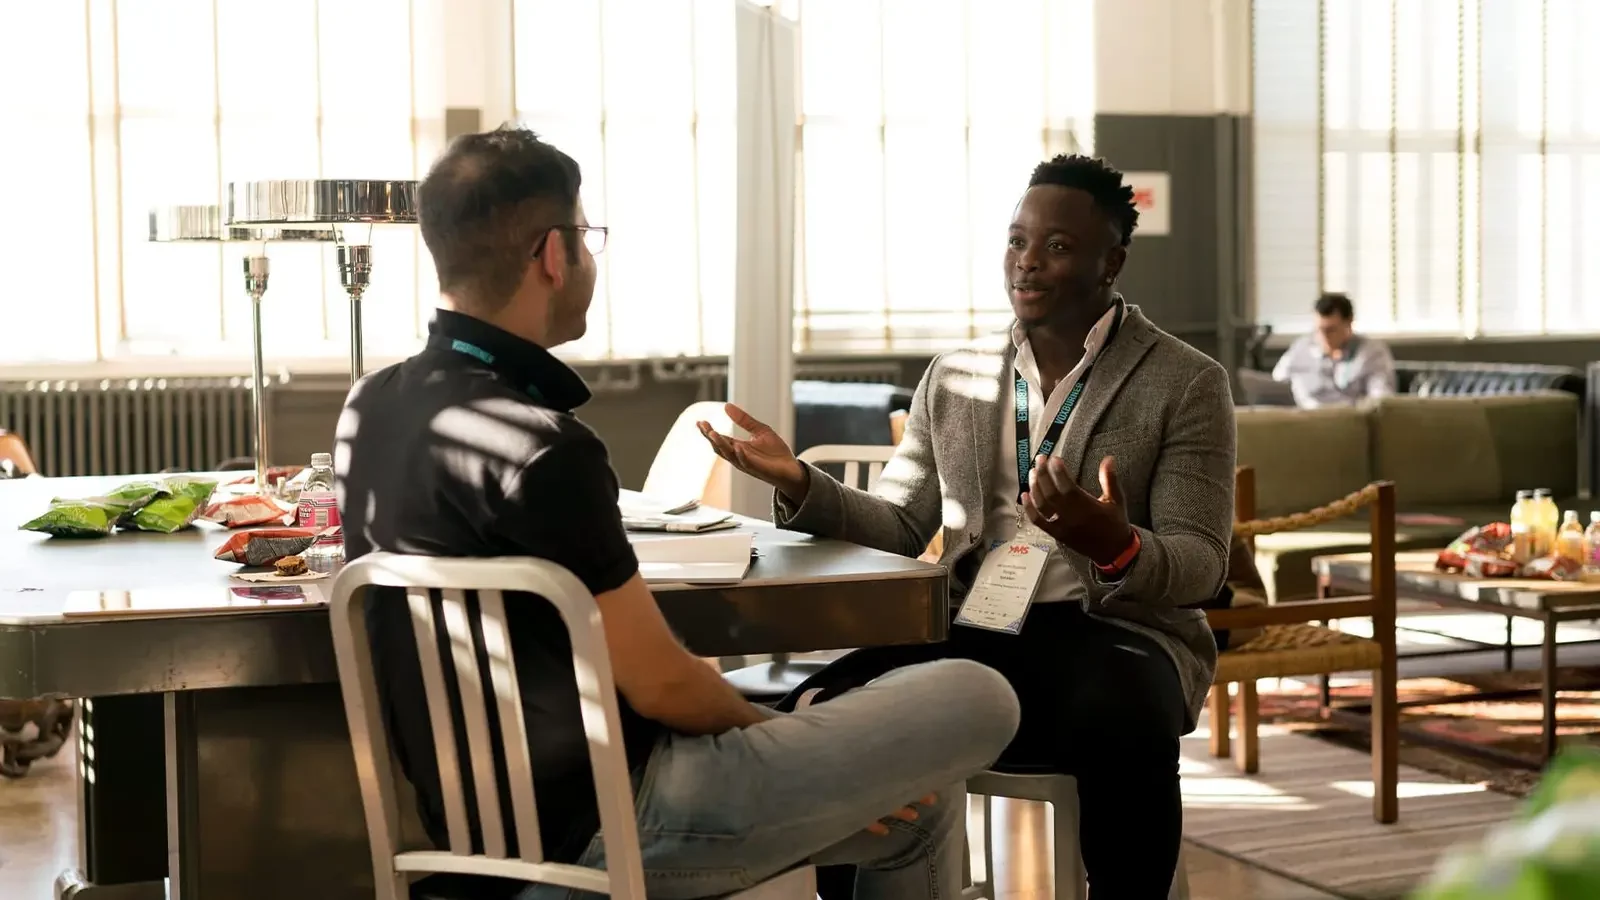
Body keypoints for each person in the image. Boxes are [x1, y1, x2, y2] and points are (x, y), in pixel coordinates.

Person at [336, 126, 1021, 900]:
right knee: (976, 692)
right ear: (553, 254)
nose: (589, 259)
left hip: (471, 838)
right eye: (588, 238)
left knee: (916, 814)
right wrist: (785, 740)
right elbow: (663, 686)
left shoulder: (371, 408)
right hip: (620, 826)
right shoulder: (548, 449)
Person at [700, 154, 1235, 898]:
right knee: (827, 711)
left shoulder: (1185, 381)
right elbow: (897, 522)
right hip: (973, 629)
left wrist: (1114, 541)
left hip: (1113, 631)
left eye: (1057, 246)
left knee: (1124, 713)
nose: (1028, 263)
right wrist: (797, 481)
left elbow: (1204, 561)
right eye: (1017, 241)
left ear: (1112, 261)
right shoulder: (954, 374)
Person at [1271, 292, 1397, 408]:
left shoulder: (1371, 352)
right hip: (1304, 419)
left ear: (1349, 323)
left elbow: (1380, 399)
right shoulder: (1302, 347)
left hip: (1346, 418)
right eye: (1319, 330)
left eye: (1331, 330)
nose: (1324, 337)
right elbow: (1276, 382)